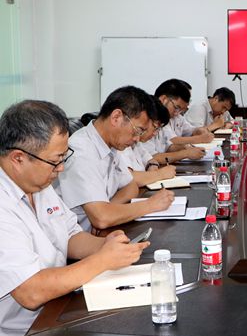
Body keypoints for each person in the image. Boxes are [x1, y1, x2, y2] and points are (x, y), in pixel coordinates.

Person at [0, 100, 150, 336]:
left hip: (53, 318)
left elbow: (70, 236)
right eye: (54, 161)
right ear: (18, 158)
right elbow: (30, 292)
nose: (60, 169)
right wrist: (102, 260)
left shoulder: (38, 183)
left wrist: (105, 245)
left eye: (63, 158)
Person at [57, 86, 175, 232]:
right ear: (116, 117)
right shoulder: (81, 152)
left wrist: (110, 210)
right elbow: (101, 219)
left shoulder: (110, 144)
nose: (137, 139)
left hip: (103, 232)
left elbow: (130, 186)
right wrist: (150, 205)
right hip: (79, 239)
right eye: (138, 130)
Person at [119, 98, 177, 187]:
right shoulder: (121, 143)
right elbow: (127, 178)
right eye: (155, 127)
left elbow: (150, 159)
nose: (155, 133)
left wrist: (152, 167)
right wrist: (160, 174)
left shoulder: (137, 143)